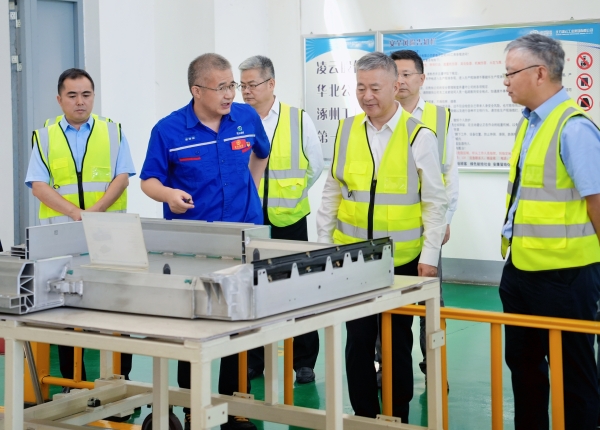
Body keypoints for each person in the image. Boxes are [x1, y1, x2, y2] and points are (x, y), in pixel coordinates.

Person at [140, 53, 269, 430]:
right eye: (222, 87)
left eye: (233, 86)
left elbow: (261, 154)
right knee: (192, 326)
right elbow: (149, 180)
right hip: (193, 244)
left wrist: (251, 191)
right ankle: (191, 405)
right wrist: (168, 195)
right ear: (197, 91)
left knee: (240, 322)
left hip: (242, 238)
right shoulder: (168, 130)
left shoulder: (246, 118)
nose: (231, 94)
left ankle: (235, 404)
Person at [316, 52, 447, 423]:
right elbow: (332, 190)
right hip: (352, 256)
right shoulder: (346, 130)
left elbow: (435, 201)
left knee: (395, 340)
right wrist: (323, 246)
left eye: (375, 87)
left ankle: (397, 416)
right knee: (357, 340)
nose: (367, 95)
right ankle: (362, 415)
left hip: (400, 260)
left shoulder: (419, 135)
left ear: (395, 86)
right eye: (361, 87)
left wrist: (430, 257)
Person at [499, 33, 600, 430]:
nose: (506, 81)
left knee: (573, 372)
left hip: (565, 275)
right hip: (522, 269)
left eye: (511, 73)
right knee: (523, 366)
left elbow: (597, 202)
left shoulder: (574, 129)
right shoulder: (530, 124)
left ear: (540, 73)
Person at [25, 68, 135, 385]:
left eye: (86, 94)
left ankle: (121, 379)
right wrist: (76, 214)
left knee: (117, 305)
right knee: (66, 308)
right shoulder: (45, 136)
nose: (80, 101)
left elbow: (123, 177)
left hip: (109, 236)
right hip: (63, 239)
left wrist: (94, 212)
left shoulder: (112, 131)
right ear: (60, 99)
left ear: (93, 96)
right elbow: (38, 185)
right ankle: (74, 383)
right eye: (72, 95)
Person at [238, 55, 324, 384]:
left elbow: (315, 165)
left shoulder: (297, 119)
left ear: (271, 83)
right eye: (242, 85)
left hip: (290, 219)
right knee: (252, 288)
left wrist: (293, 192)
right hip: (250, 219)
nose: (246, 91)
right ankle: (253, 359)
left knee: (298, 287)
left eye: (252, 84)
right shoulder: (235, 120)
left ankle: (303, 360)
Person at [390, 49, 459, 381]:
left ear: (421, 78)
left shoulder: (439, 117)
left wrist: (446, 219)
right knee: (390, 302)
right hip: (389, 229)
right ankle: (387, 367)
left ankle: (434, 366)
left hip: (427, 228)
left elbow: (449, 173)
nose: (400, 81)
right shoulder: (377, 116)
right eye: (395, 74)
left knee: (431, 301)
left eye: (406, 74)